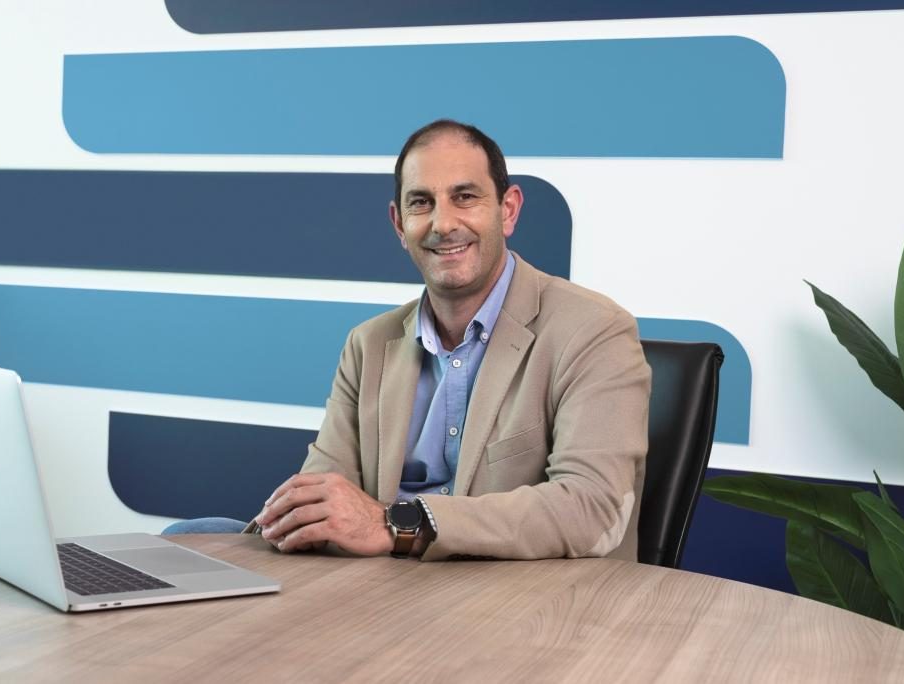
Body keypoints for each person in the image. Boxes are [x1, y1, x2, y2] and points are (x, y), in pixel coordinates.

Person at [167, 120, 651, 561]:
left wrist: (397, 524)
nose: (443, 224)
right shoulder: (368, 344)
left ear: (508, 211)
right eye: (421, 202)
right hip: (383, 587)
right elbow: (324, 492)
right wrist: (294, 519)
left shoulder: (593, 329)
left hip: (517, 598)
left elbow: (592, 510)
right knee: (190, 535)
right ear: (400, 225)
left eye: (465, 197)